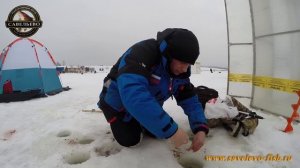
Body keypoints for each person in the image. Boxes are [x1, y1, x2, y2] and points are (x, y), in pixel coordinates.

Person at [98, 28, 208, 152]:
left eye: (188, 65)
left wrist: (200, 128)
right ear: (169, 55)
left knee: (157, 133)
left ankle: (145, 119)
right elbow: (134, 95)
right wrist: (172, 131)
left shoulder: (178, 72)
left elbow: (189, 99)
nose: (184, 69)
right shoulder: (143, 52)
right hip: (118, 105)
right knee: (130, 140)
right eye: (182, 62)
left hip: (146, 103)